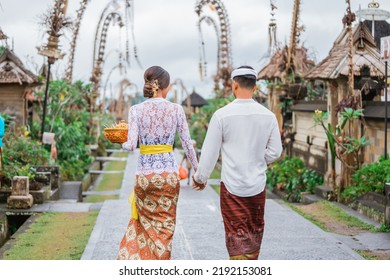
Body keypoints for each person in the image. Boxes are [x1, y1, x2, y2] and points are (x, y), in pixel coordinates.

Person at [192, 66, 283, 260]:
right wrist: (258, 159)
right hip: (257, 186)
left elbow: (209, 153)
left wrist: (200, 178)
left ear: (234, 85)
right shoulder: (268, 116)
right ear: (255, 87)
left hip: (231, 187)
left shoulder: (221, 115)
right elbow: (276, 152)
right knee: (254, 233)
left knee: (236, 237)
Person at [117, 66, 199, 260]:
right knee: (165, 229)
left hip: (144, 178)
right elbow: (187, 144)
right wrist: (197, 172)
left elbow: (129, 146)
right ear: (164, 86)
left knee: (145, 228)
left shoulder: (136, 110)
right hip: (169, 177)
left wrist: (119, 139)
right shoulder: (176, 109)